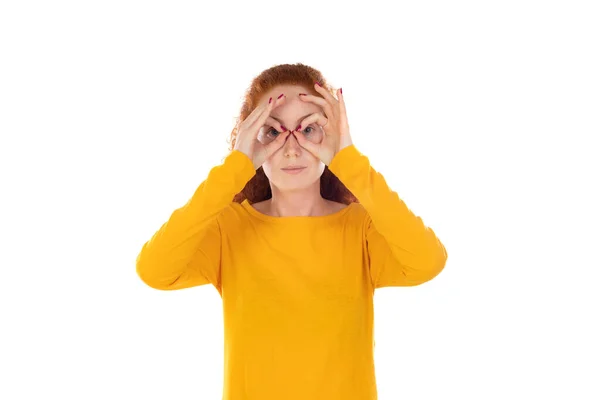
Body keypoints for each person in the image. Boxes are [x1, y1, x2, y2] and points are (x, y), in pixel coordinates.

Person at [136, 63, 448, 400]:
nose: (291, 147)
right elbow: (155, 270)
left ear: (331, 135)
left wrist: (349, 161)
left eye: (309, 129)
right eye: (273, 131)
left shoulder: (361, 228)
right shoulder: (230, 228)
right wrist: (235, 168)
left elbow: (427, 261)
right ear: (249, 139)